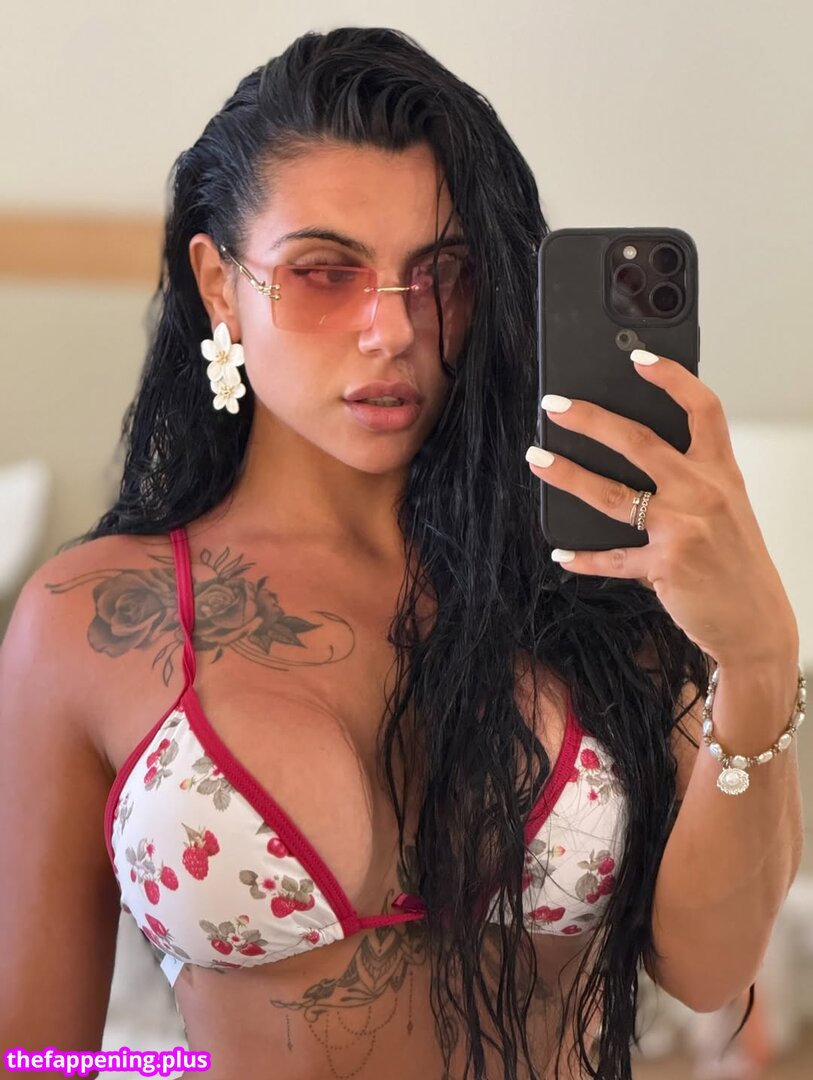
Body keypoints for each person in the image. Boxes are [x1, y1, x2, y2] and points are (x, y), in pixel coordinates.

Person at [0, 26, 804, 1080]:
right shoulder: (88, 618)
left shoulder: (593, 575)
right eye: (323, 271)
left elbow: (706, 968)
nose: (390, 330)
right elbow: (33, 1058)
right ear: (218, 284)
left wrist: (757, 657)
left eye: (441, 274)